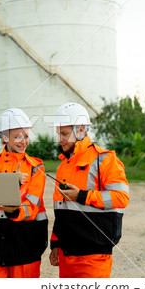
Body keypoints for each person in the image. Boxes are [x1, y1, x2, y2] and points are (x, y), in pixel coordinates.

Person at [49, 102, 129, 278]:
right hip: (67, 253)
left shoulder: (105, 160)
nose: (60, 139)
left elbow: (121, 197)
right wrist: (55, 243)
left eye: (64, 134)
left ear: (81, 130)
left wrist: (81, 196)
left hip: (94, 255)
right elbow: (61, 209)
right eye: (58, 134)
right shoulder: (63, 166)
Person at [0, 108, 48, 278]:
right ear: (4, 137)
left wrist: (10, 207)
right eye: (18, 137)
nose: (24, 142)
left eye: (26, 136)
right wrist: (11, 182)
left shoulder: (36, 168)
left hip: (26, 246)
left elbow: (32, 207)